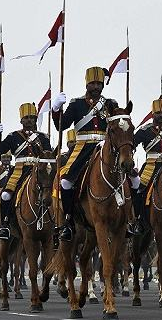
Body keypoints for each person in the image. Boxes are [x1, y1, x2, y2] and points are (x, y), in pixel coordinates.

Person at [51, 66, 135, 241]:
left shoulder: (110, 104)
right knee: (66, 181)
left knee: (133, 179)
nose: (96, 86)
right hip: (83, 147)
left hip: (107, 147)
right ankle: (68, 221)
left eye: (99, 83)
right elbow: (62, 125)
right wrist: (56, 109)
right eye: (93, 83)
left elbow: (120, 123)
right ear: (87, 84)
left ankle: (131, 219)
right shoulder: (76, 104)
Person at [0, 103, 52, 240]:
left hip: (39, 170)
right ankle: (6, 224)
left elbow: (48, 154)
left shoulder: (43, 137)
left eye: (32, 117)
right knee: (6, 196)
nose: (29, 120)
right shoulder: (13, 136)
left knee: (52, 191)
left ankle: (56, 223)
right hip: (20, 170)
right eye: (26, 118)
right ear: (21, 120)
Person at [132, 95, 162, 233]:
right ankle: (138, 219)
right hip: (151, 166)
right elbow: (131, 145)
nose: (161, 115)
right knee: (139, 189)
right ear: (153, 114)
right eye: (158, 113)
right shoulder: (144, 130)